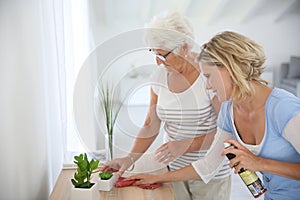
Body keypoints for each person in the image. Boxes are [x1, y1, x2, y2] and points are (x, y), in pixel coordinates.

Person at [129, 31, 300, 200]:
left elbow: (258, 163)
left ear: (229, 68)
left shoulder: (282, 108)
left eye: (209, 77)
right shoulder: (229, 111)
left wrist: (259, 163)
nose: (209, 86)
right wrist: (155, 178)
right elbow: (208, 165)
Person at [102, 11, 232, 200]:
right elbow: (150, 123)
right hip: (174, 172)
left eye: (163, 55)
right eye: (154, 53)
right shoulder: (159, 76)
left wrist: (186, 146)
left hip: (209, 175)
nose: (157, 62)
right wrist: (130, 158)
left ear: (185, 47)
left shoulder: (209, 75)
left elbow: (227, 130)